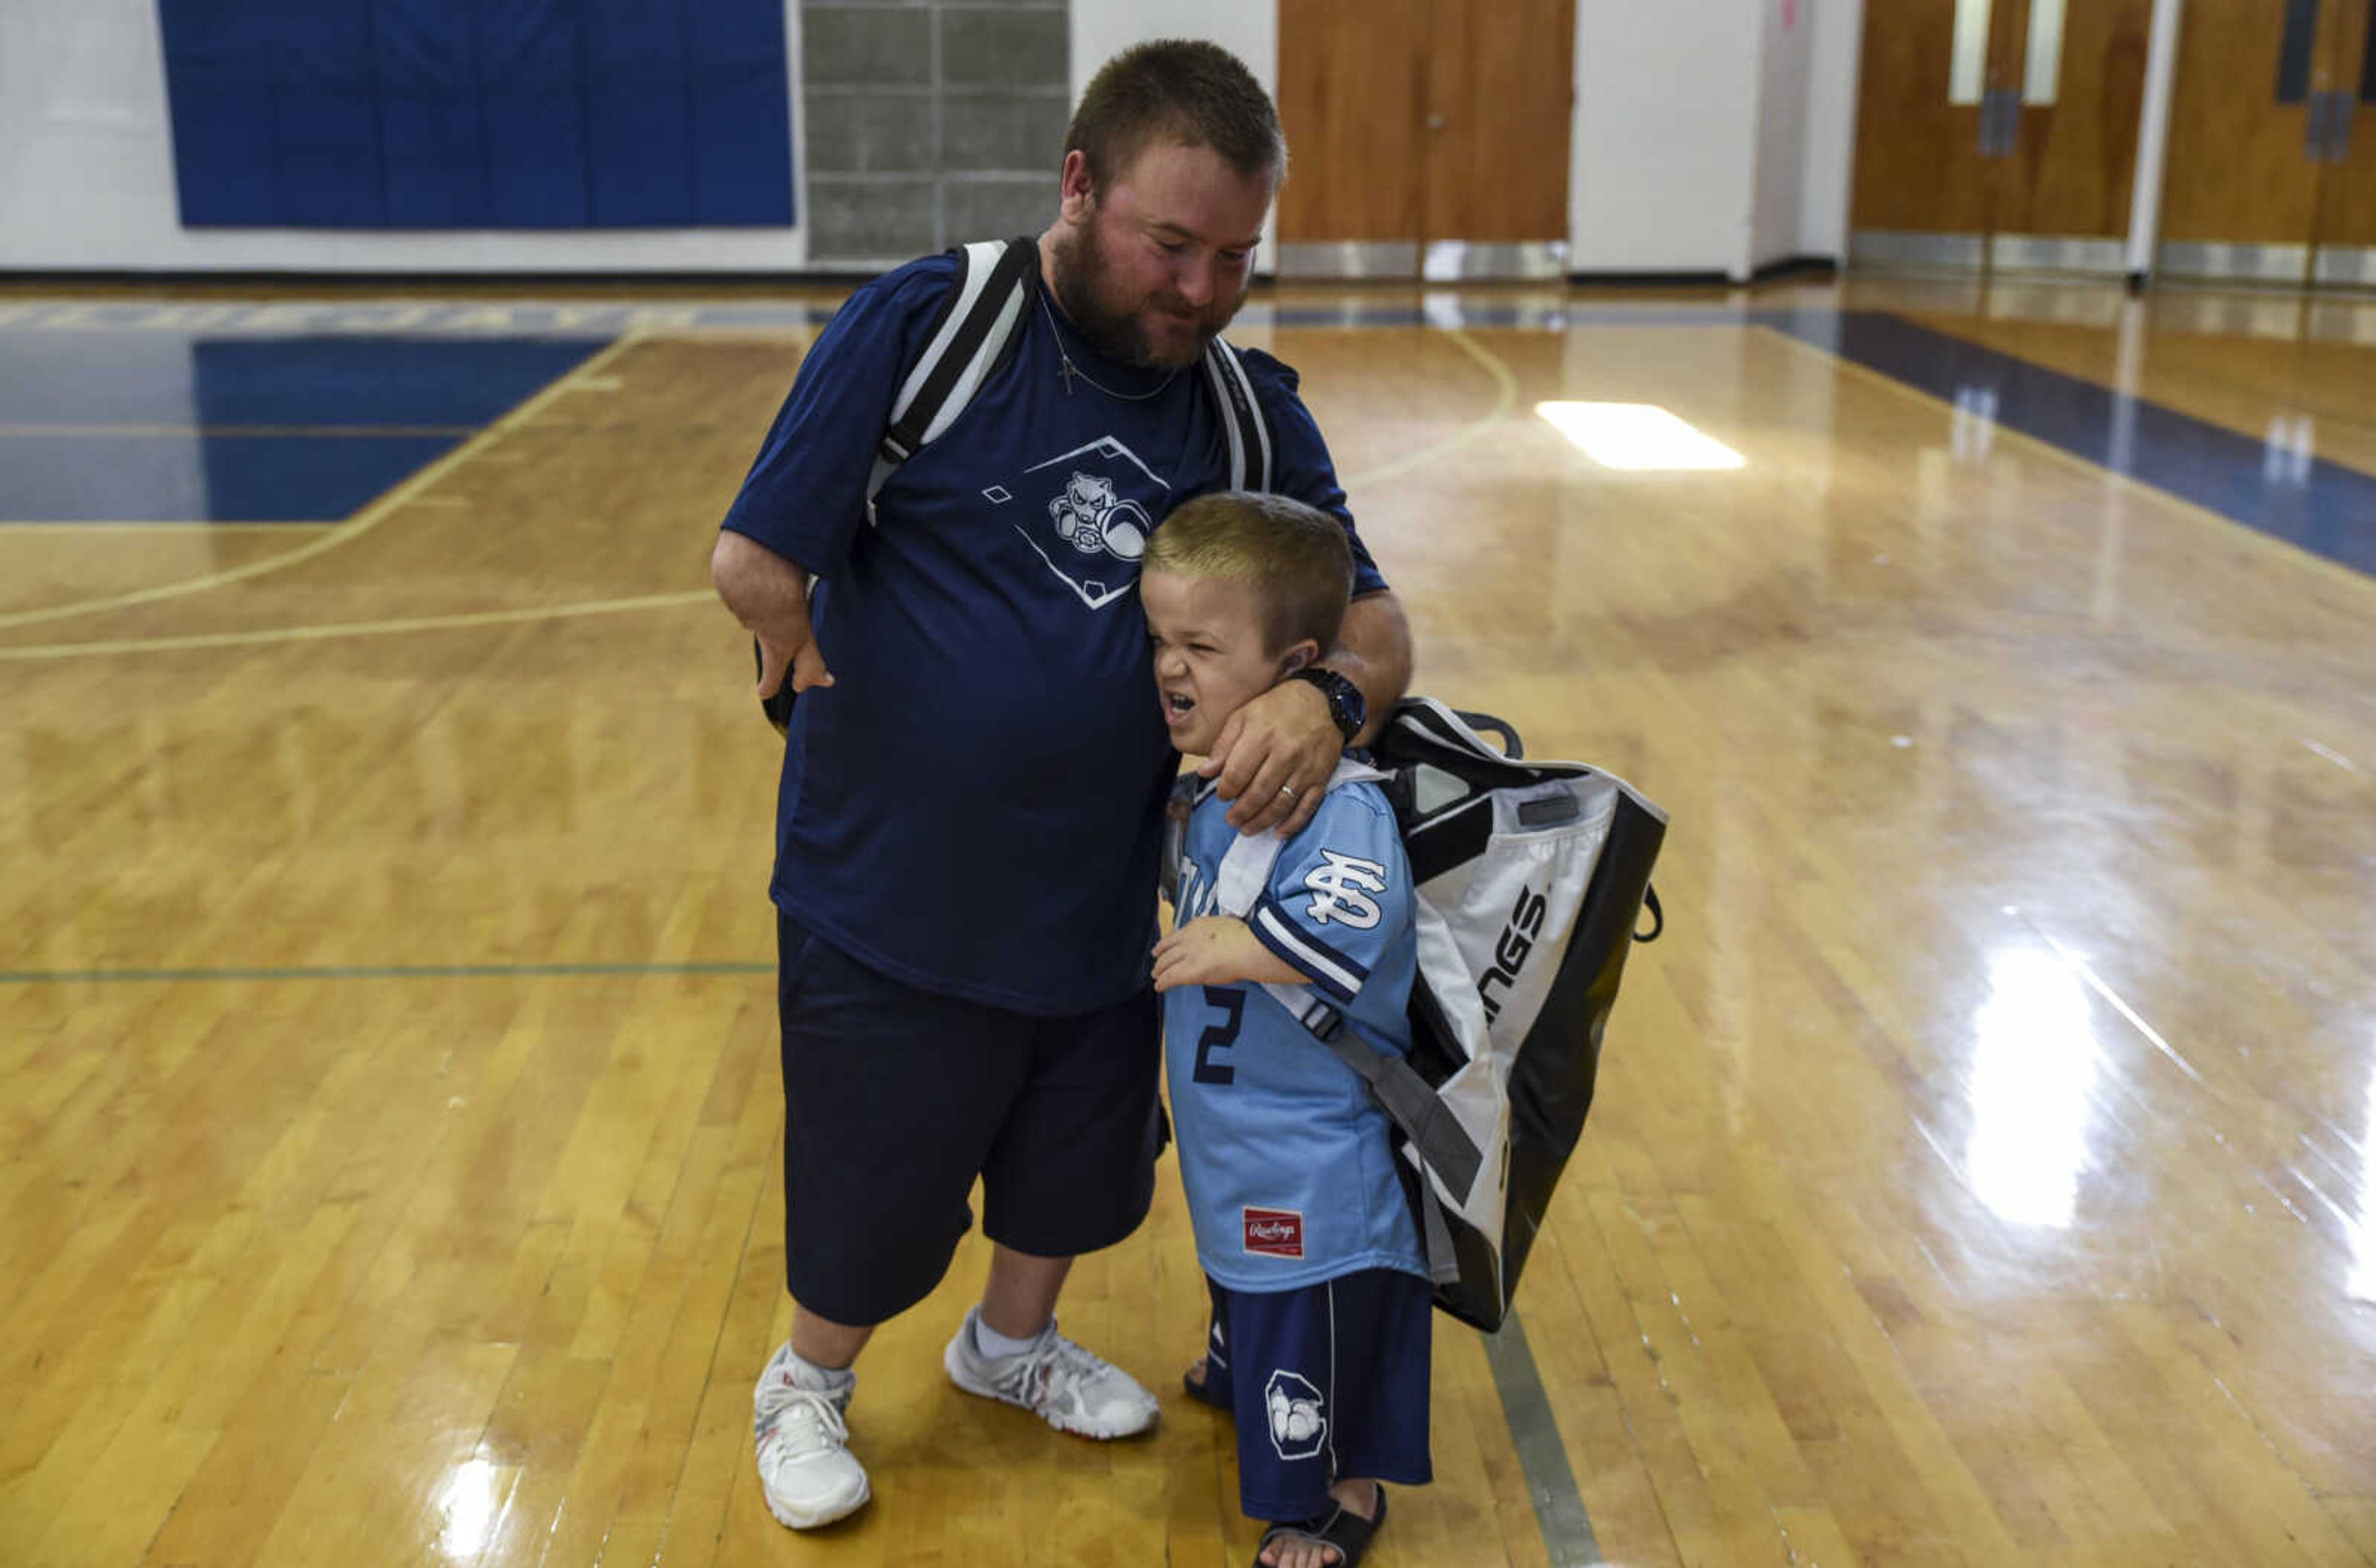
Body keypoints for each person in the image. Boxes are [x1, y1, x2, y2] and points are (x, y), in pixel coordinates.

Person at [708, 40, 1413, 1530]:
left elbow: (1376, 620)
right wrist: (791, 637)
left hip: (1111, 906)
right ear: (1080, 186)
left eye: (1235, 256)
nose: (1203, 289)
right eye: (1173, 244)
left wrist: (1325, 691)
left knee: (1075, 1170)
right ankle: (809, 1380)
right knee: (875, 1177)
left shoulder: (1244, 410)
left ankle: (1007, 1344)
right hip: (890, 890)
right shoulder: (935, 322)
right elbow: (762, 547)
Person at [1143, 491, 1431, 1568]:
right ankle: (1237, 1359)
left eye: (1202, 647)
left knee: (1313, 1307)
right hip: (1240, 1134)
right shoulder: (1213, 786)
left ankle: (1340, 1495)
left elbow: (1354, 916)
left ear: (1296, 662)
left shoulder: (1336, 799)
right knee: (1245, 1276)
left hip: (1316, 1150)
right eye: (1159, 640)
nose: (1171, 668)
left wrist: (1241, 944)